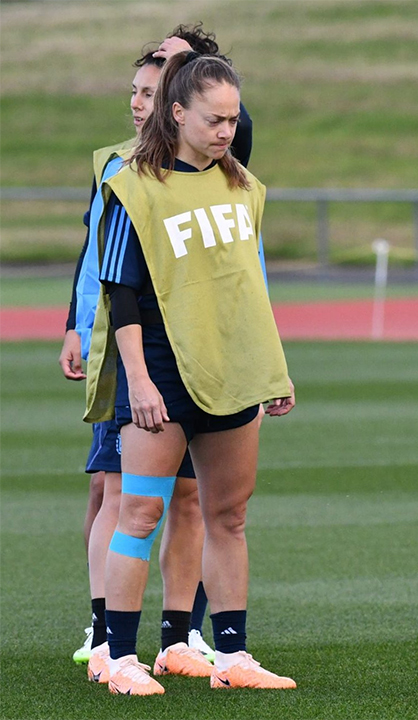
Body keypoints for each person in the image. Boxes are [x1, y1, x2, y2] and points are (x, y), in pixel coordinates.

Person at [83, 50, 295, 695]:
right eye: (215, 118)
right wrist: (139, 382)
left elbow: (244, 287)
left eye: (233, 118)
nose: (228, 130)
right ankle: (118, 657)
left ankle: (231, 655)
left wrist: (271, 370)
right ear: (177, 114)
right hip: (161, 375)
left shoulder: (241, 185)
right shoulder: (132, 187)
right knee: (141, 512)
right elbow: (119, 292)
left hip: (231, 371)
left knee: (227, 516)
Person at [60, 24, 254, 681]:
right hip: (137, 359)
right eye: (140, 89)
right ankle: (110, 639)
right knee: (118, 495)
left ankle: (183, 637)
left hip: (213, 366)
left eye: (160, 85)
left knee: (203, 505)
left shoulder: (225, 167)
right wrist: (74, 324)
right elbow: (105, 266)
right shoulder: (121, 173)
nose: (142, 100)